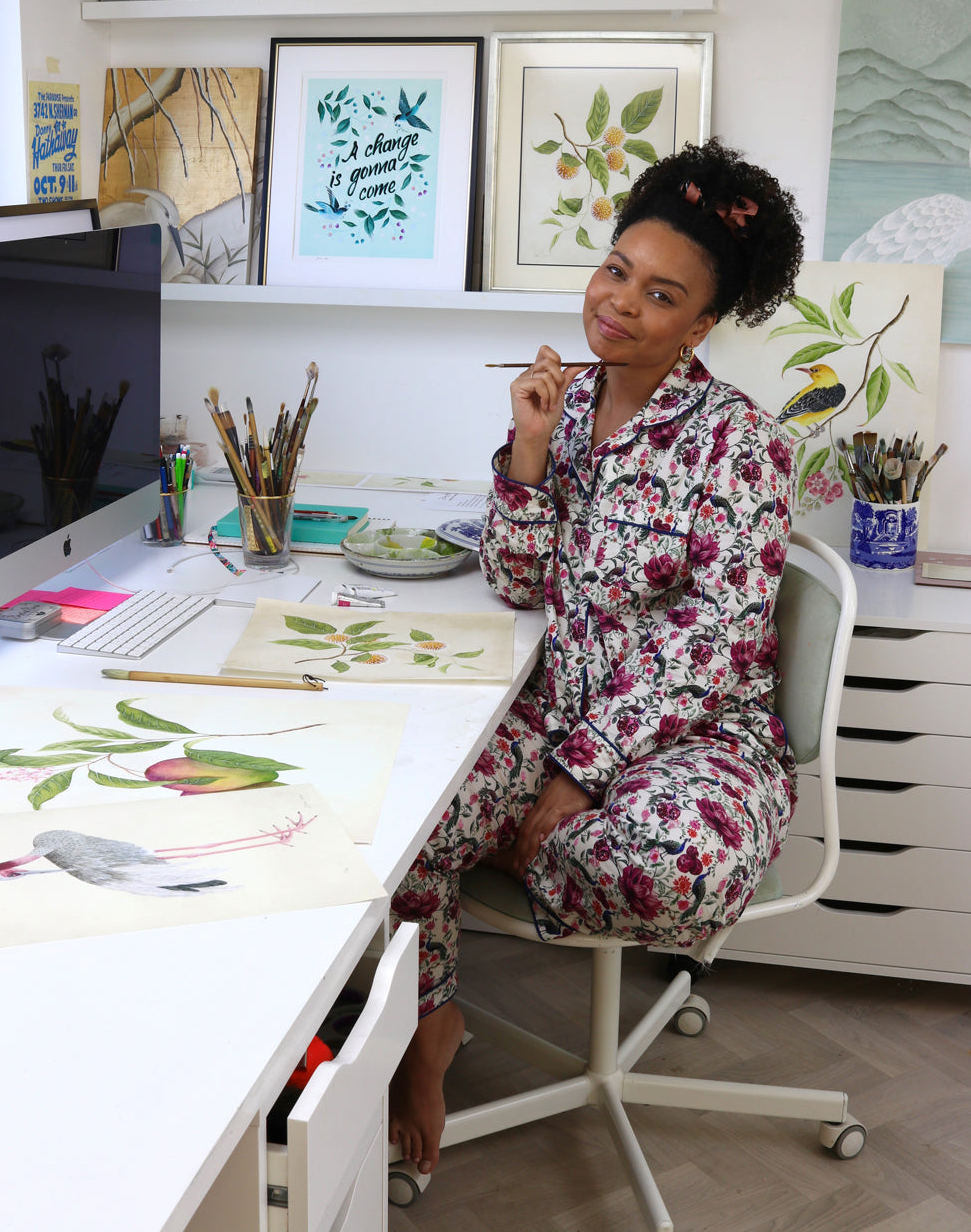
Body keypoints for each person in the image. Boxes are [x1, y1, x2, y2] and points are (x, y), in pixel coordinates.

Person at [389, 138, 805, 1176]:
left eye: (659, 294)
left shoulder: (740, 443)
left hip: (690, 733)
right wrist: (526, 451)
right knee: (398, 818)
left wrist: (578, 778)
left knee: (663, 866)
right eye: (615, 269)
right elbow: (520, 585)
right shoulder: (567, 406)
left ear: (700, 325)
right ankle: (426, 1023)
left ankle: (490, 856)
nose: (619, 303)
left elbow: (709, 642)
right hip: (551, 705)